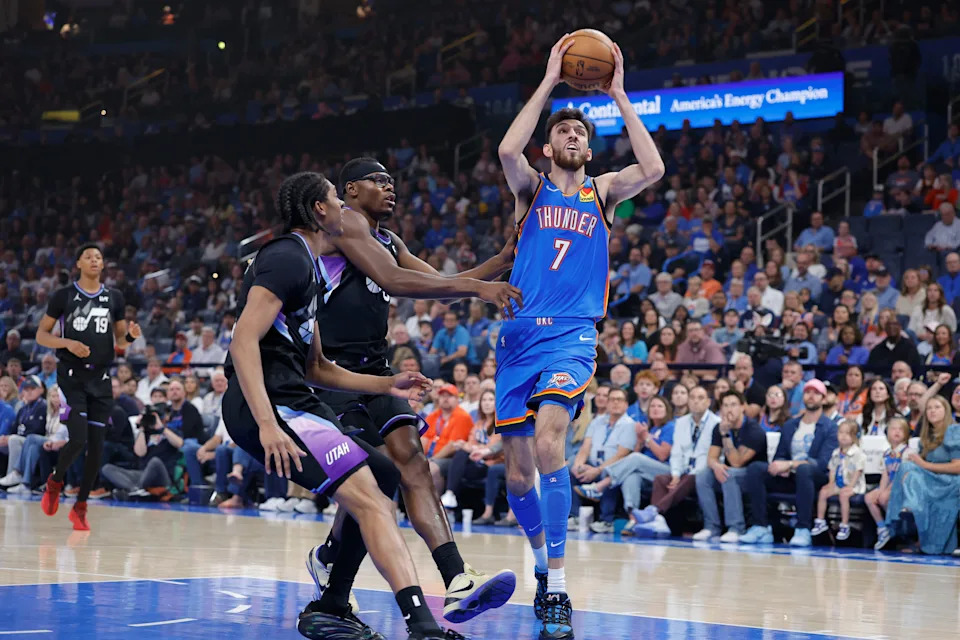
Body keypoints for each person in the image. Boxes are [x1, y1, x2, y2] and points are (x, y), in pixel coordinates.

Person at [220, 171, 471, 640]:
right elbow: (242, 341)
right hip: (268, 404)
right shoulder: (286, 258)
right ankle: (421, 625)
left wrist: (388, 383)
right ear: (320, 210)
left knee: (385, 473)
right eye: (337, 198)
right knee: (372, 500)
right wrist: (267, 424)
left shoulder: (311, 268)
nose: (343, 207)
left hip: (295, 397)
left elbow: (318, 367)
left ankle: (333, 604)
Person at [496, 34, 664, 639]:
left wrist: (618, 94)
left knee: (551, 443)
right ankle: (542, 563)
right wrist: (548, 80)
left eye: (579, 134)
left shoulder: (605, 191)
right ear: (549, 147)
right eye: (563, 132)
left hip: (572, 336)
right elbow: (506, 148)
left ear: (589, 149)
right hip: (518, 339)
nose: (572, 137)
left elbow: (654, 168)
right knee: (518, 477)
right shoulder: (530, 189)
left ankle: (560, 586)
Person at [312, 159, 519, 625]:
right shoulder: (343, 223)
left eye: (393, 182)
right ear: (351, 189)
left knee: (413, 462)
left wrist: (500, 263)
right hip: (332, 375)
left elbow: (439, 288)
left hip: (377, 371)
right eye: (379, 181)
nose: (390, 188)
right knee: (371, 478)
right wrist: (480, 289)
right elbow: (395, 281)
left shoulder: (389, 241)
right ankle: (330, 560)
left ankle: (456, 578)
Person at [33, 243, 141, 531]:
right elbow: (42, 335)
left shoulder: (114, 297)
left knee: (96, 446)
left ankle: (80, 507)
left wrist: (130, 337)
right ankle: (55, 481)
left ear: (103, 265)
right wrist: (67, 342)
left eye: (99, 257)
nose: (94, 260)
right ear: (78, 264)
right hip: (71, 376)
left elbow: (120, 341)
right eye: (88, 257)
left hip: (101, 377)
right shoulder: (64, 296)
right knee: (78, 438)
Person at [740, 379, 839, 546]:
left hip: (815, 478)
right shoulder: (790, 424)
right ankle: (760, 526)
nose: (811, 396)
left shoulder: (830, 427)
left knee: (804, 470)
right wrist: (781, 465)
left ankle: (803, 529)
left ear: (823, 399)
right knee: (756, 468)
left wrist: (791, 464)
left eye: (816, 393)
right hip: (789, 476)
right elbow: (780, 455)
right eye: (808, 392)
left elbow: (822, 463)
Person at [574, 395, 673, 532]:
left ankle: (598, 487)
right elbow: (636, 452)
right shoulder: (649, 428)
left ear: (667, 410)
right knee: (631, 476)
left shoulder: (670, 427)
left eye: (660, 406)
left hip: (665, 471)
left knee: (636, 458)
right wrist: (640, 441)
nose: (655, 409)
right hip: (644, 471)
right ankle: (634, 519)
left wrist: (646, 438)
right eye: (653, 406)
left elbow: (662, 455)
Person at [630, 386, 720, 534]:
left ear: (708, 402)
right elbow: (676, 452)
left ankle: (654, 512)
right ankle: (658, 522)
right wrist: (676, 475)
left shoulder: (716, 423)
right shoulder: (681, 422)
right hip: (683, 471)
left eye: (700, 398)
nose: (696, 401)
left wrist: (686, 474)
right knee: (660, 479)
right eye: (692, 398)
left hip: (704, 472)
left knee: (692, 477)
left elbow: (713, 455)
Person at [881, 395, 960, 554]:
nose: (932, 411)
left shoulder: (954, 431)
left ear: (946, 410)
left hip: (951, 482)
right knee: (907, 466)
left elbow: (958, 467)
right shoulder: (927, 436)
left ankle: (911, 507)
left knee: (911, 468)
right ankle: (911, 508)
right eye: (929, 408)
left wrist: (924, 464)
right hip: (933, 480)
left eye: (937, 407)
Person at [693, 390, 767, 542]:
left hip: (753, 477)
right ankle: (711, 526)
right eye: (725, 406)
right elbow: (711, 458)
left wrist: (726, 435)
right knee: (702, 476)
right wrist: (716, 466)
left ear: (743, 407)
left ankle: (736, 528)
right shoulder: (719, 427)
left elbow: (737, 462)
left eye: (733, 405)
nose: (729, 409)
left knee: (729, 474)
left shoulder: (754, 430)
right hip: (730, 473)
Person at [568, 388, 638, 534]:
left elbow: (621, 455)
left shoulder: (630, 424)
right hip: (593, 464)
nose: (615, 403)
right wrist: (578, 465)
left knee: (611, 473)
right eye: (612, 399)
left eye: (619, 400)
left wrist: (597, 470)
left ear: (626, 404)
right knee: (570, 470)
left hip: (612, 466)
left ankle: (606, 520)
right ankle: (574, 516)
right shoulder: (597, 422)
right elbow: (585, 447)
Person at [438, 390, 501, 511]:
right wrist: (468, 446)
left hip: (489, 464)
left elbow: (491, 450)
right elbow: (471, 442)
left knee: (458, 461)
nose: (487, 403)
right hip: (474, 461)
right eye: (484, 400)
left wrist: (468, 447)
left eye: (491, 400)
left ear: (496, 403)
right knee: (458, 458)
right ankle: (449, 498)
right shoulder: (479, 423)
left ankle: (449, 497)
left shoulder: (500, 424)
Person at [811, 419, 866, 542]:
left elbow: (858, 471)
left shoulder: (858, 453)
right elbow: (832, 469)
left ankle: (844, 524)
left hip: (855, 485)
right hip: (839, 483)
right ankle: (820, 521)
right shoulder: (836, 452)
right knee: (823, 492)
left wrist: (851, 486)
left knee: (843, 495)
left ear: (855, 436)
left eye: (848, 433)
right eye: (841, 432)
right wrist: (831, 484)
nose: (843, 436)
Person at [866, 416, 913, 550]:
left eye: (900, 429)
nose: (897, 431)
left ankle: (895, 527)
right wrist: (881, 490)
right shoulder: (887, 453)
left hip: (902, 486)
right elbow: (885, 474)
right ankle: (882, 528)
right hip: (889, 485)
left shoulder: (907, 452)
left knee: (884, 498)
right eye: (893, 429)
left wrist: (885, 492)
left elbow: (903, 474)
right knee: (869, 497)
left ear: (906, 433)